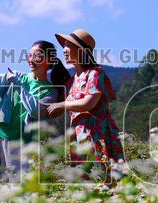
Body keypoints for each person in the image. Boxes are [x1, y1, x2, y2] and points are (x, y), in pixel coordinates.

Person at [0, 39, 70, 190]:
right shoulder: (17, 76)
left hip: (18, 143)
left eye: (37, 55)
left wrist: (18, 83)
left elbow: (35, 110)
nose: (31, 59)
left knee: (14, 187)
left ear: (49, 60)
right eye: (29, 55)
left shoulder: (50, 92)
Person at [44, 28, 125, 183]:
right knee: (85, 184)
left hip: (99, 135)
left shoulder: (95, 73)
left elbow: (89, 102)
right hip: (79, 138)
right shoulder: (71, 82)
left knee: (105, 180)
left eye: (68, 45)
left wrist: (62, 105)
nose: (64, 50)